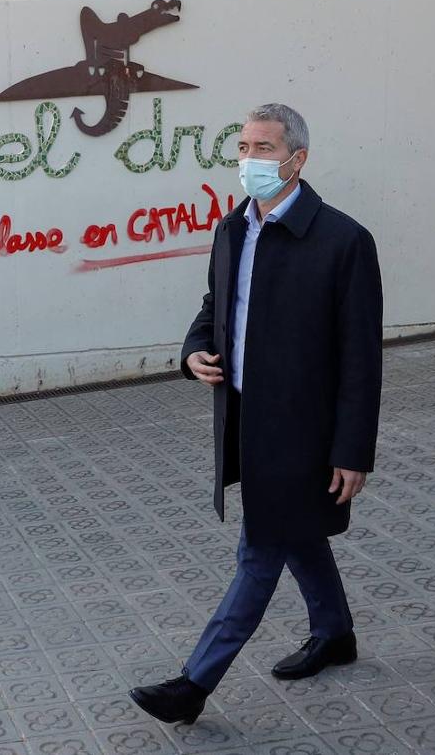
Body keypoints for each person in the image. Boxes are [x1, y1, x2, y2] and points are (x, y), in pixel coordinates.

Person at [128, 103, 383, 724]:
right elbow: (216, 305)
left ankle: (194, 683)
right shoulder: (232, 228)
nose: (250, 160)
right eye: (243, 147)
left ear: (298, 158)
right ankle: (335, 633)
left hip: (303, 431)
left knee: (260, 549)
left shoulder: (344, 240)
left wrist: (353, 451)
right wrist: (193, 352)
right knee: (295, 531)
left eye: (264, 148)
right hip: (244, 420)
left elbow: (361, 357)